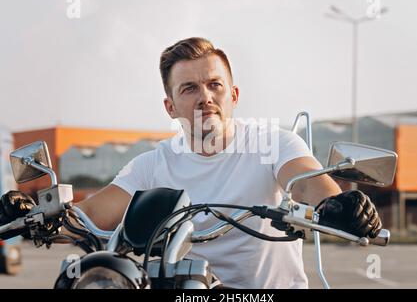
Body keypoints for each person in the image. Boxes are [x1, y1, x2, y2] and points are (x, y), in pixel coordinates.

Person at [0, 37, 381, 288]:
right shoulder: (152, 164)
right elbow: (89, 217)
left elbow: (307, 182)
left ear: (232, 95)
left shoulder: (272, 143)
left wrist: (337, 204)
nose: (205, 97)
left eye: (214, 85)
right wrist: (37, 213)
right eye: (189, 88)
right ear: (170, 106)